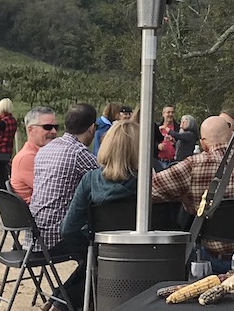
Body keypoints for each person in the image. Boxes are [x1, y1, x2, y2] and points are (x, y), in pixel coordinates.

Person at [152, 114, 234, 269]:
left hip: (209, 259)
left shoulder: (192, 166)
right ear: (231, 137)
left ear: (203, 143)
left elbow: (151, 190)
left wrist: (183, 196)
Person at [57, 121, 140, 307]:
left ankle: (60, 301)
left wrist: (89, 246)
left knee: (90, 263)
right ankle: (60, 302)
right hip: (144, 256)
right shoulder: (148, 182)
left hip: (102, 252)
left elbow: (68, 229)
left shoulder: (90, 181)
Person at [30, 103, 100, 252]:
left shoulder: (44, 150)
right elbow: (105, 183)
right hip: (59, 237)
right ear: (92, 128)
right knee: (101, 240)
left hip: (35, 237)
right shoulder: (78, 153)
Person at [11, 106, 59, 203]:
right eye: (47, 127)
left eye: (56, 127)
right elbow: (54, 190)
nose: (54, 131)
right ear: (30, 130)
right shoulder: (27, 158)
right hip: (39, 210)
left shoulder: (42, 154)